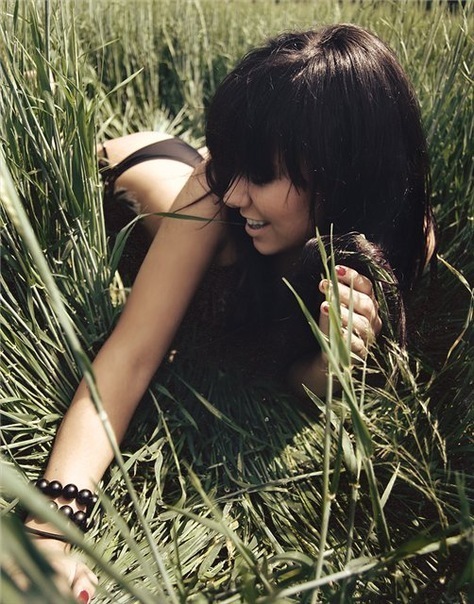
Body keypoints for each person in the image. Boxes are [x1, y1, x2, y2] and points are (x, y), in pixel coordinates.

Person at [20, 23, 435, 602]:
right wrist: (48, 530)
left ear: (345, 173)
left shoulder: (398, 244)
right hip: (133, 173)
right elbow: (130, 357)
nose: (237, 194)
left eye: (261, 174)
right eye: (238, 168)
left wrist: (332, 361)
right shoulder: (214, 195)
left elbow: (302, 381)